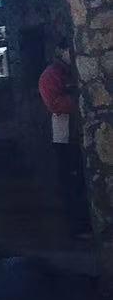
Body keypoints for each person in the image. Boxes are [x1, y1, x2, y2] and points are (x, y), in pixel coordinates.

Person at [38, 41, 89, 235]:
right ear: (60, 51)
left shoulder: (67, 72)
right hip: (65, 138)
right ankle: (77, 227)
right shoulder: (51, 76)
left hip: (75, 135)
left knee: (78, 183)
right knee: (72, 184)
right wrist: (80, 100)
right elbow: (55, 104)